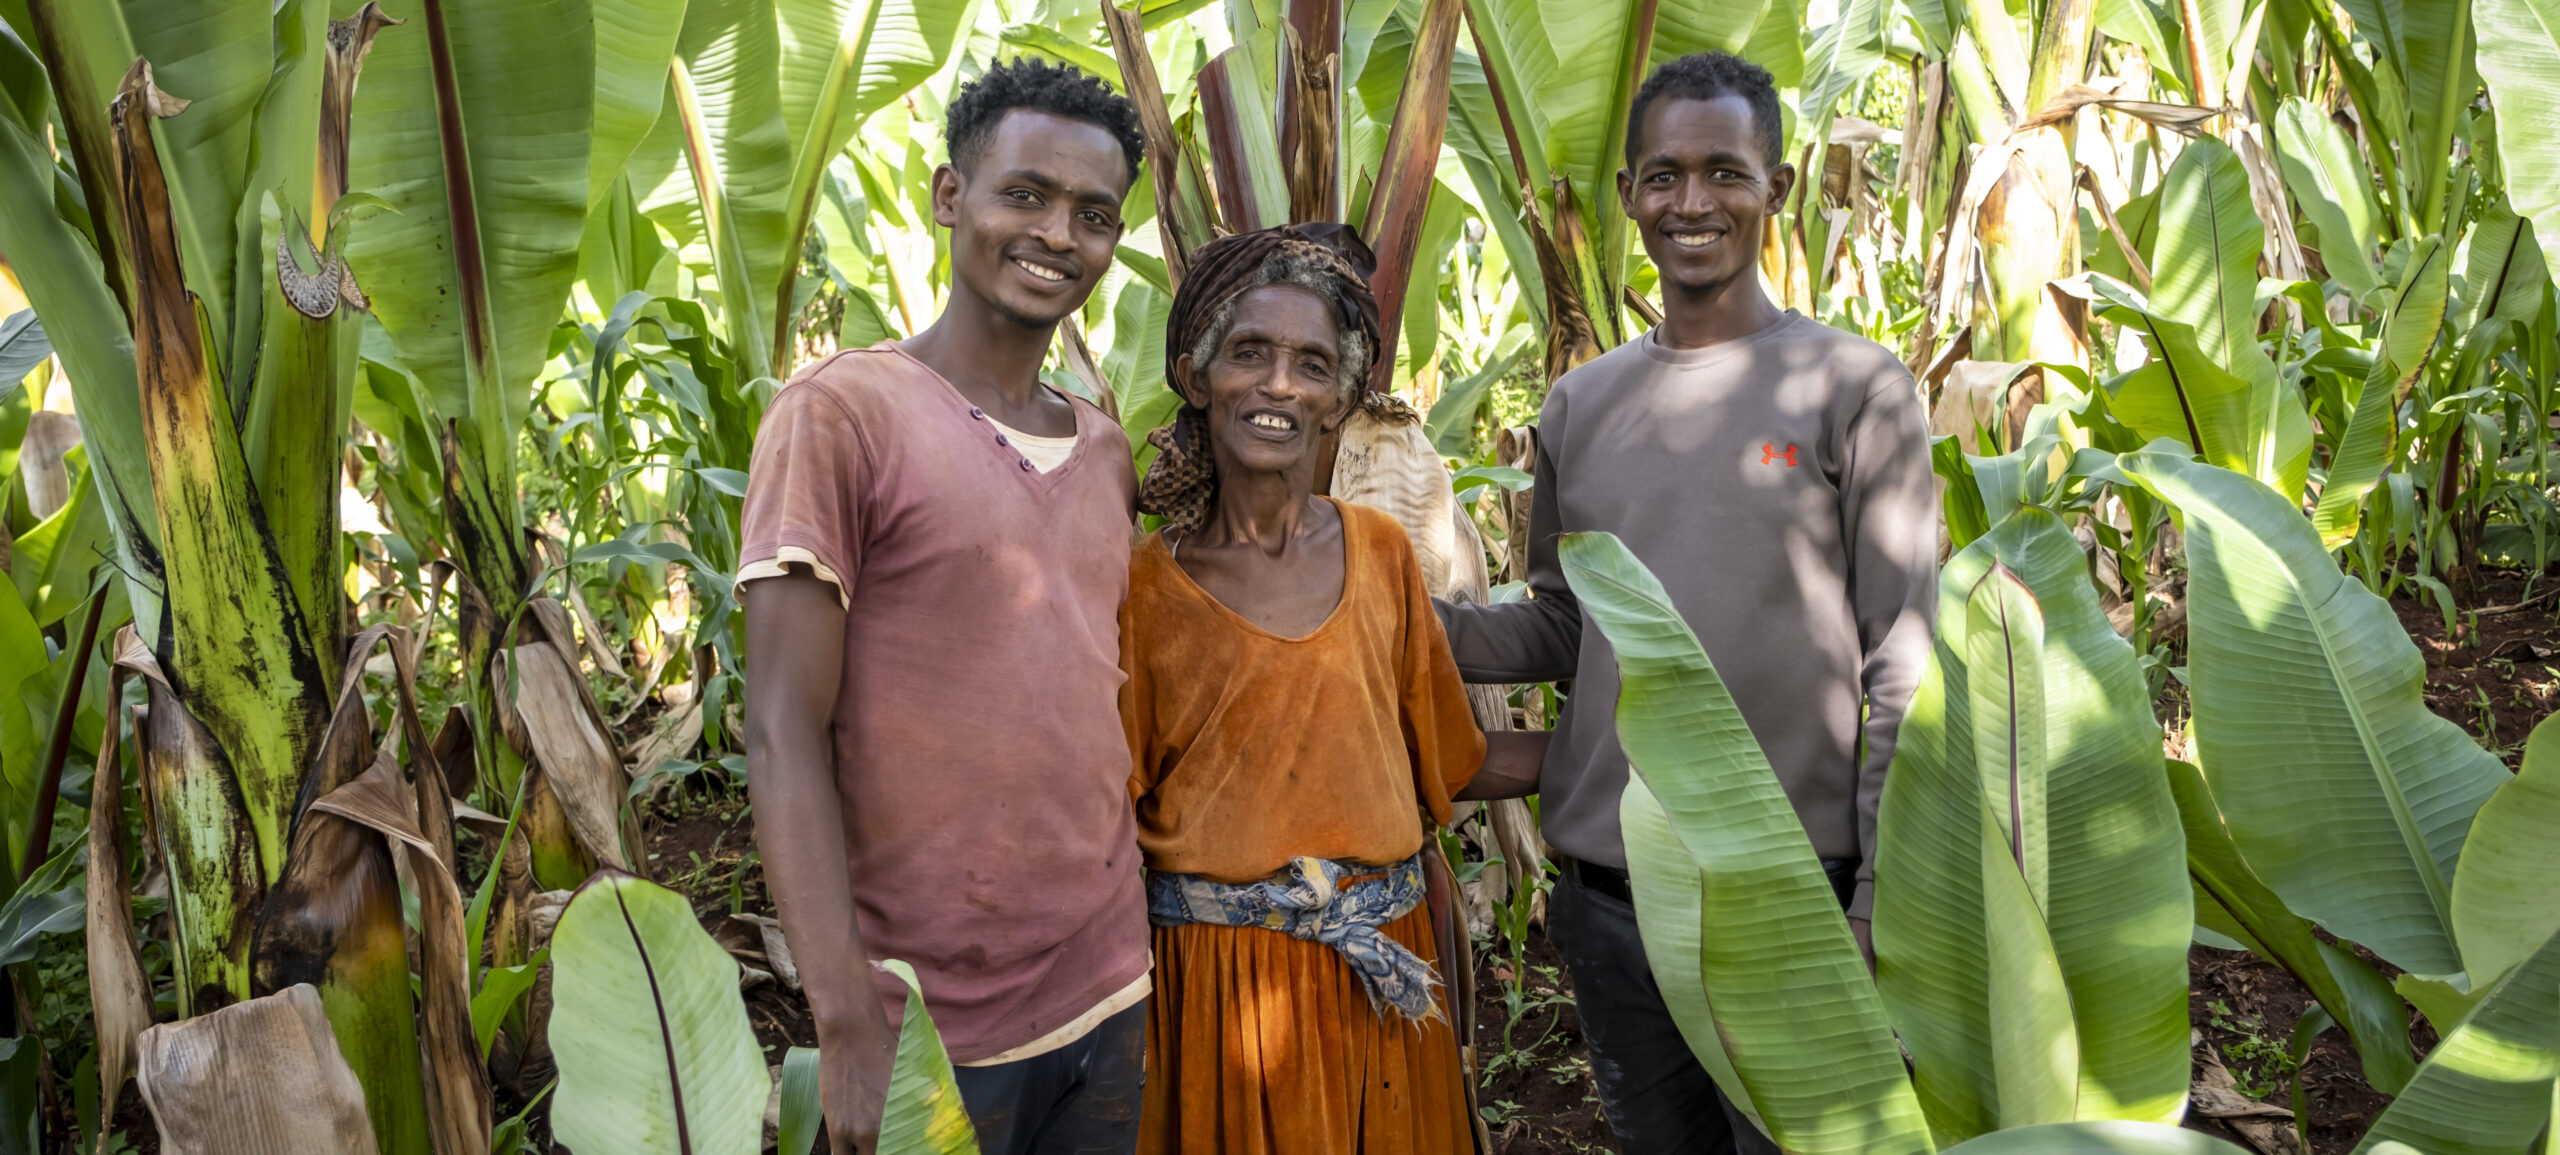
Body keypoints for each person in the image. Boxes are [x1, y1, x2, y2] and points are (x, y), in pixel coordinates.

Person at [1438, 51, 1937, 1155]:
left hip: (1796, 900)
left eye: (1725, 172)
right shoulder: (1582, 402)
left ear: (1779, 187)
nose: (1691, 202)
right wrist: (1408, 620)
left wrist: (1877, 908)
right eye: (1662, 176)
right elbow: (1571, 624)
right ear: (1628, 196)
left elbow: (1898, 658)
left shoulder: (1851, 387)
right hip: (1613, 908)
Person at [739, 59, 1152, 1155]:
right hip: (924, 1022)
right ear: (948, 196)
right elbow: (781, 729)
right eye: (1025, 194)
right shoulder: (843, 415)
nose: (1058, 233)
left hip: (1110, 988)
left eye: (1093, 215)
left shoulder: (1105, 449)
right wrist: (843, 1014)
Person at [1117, 224, 1543, 1154]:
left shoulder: (1382, 554)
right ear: (1198, 375)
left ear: (1341, 397)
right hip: (1226, 987)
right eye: (1250, 354)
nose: (1278, 384)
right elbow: (1108, 815)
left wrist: (1624, 745)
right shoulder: (1143, 589)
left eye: (1311, 364)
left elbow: (1446, 759)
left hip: (1383, 969)